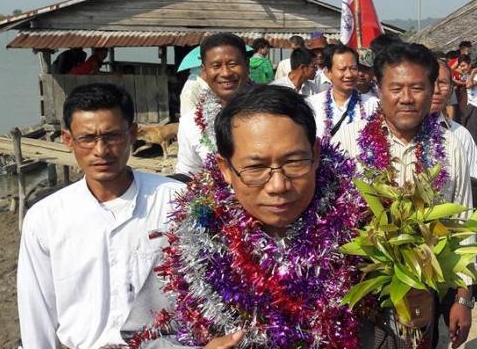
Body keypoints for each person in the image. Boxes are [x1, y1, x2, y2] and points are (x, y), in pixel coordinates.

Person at [125, 85, 431, 348]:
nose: (278, 185)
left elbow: (401, 329)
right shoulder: (190, 243)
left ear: (315, 154)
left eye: (294, 162)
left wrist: (417, 314)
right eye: (256, 168)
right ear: (225, 168)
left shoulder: (368, 230)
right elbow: (141, 336)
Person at [17, 83, 185, 348]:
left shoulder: (175, 201)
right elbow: (36, 310)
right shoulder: (44, 219)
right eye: (87, 138)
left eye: (112, 136)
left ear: (132, 134)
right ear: (68, 140)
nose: (101, 150)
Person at [334, 42, 475, 349]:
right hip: (362, 295)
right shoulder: (348, 140)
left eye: (418, 88)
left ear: (432, 89)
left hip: (424, 290)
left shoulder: (450, 145)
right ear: (379, 88)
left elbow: (464, 224)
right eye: (396, 88)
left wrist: (464, 298)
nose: (407, 98)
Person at [175, 33, 250, 176]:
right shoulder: (191, 123)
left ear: (247, 65)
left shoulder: (275, 112)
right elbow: (188, 176)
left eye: (232, 64)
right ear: (204, 71)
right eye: (216, 66)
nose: (226, 73)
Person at [307, 44, 379, 138]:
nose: (349, 75)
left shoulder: (373, 105)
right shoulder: (312, 104)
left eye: (353, 68)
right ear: (329, 72)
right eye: (342, 69)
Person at [431, 58, 477, 181]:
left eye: (442, 83)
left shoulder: (461, 135)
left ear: (451, 89)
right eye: (429, 82)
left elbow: (475, 181)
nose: (436, 90)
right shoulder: (399, 131)